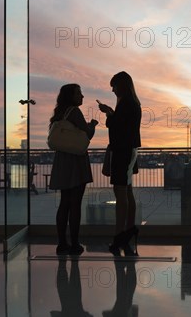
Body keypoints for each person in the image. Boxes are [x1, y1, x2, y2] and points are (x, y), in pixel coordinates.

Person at [49, 84, 98, 255]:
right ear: (71, 96)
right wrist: (92, 125)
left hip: (62, 161)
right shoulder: (75, 112)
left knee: (64, 203)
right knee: (75, 204)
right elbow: (86, 137)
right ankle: (75, 243)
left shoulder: (59, 113)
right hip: (76, 161)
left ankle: (62, 243)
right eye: (79, 93)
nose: (82, 96)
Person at [98, 71, 142, 256]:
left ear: (121, 85)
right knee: (128, 191)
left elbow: (116, 126)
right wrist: (111, 112)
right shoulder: (134, 103)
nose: (112, 89)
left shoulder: (125, 103)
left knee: (120, 194)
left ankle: (119, 236)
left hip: (122, 152)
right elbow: (124, 124)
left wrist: (109, 114)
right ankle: (129, 230)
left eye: (114, 85)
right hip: (130, 150)